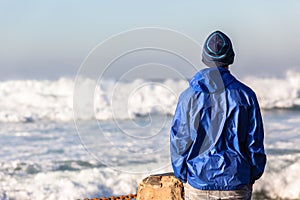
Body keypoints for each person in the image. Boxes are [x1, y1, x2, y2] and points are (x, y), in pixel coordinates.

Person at [170, 30, 266, 200]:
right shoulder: (246, 95)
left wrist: (183, 175)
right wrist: (252, 175)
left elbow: (180, 141)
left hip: (198, 182)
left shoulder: (188, 96)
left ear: (204, 58)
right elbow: (255, 143)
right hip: (237, 182)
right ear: (231, 57)